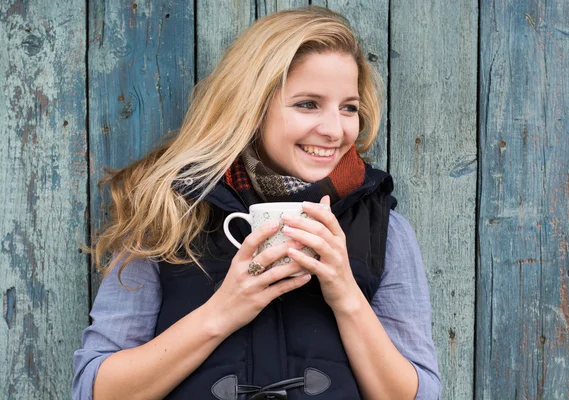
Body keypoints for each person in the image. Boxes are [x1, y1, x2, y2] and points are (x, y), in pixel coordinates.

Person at [72, 6, 441, 400]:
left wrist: (346, 294)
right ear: (253, 105)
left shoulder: (382, 226)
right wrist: (222, 313)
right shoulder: (170, 211)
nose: (336, 130)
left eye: (348, 107)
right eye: (307, 104)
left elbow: (419, 394)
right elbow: (95, 390)